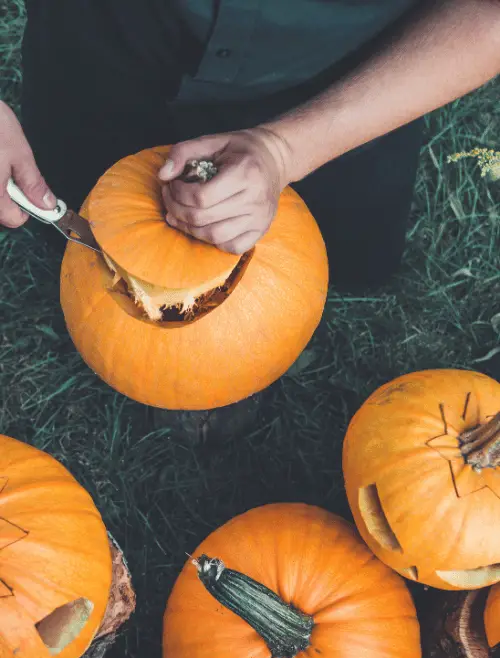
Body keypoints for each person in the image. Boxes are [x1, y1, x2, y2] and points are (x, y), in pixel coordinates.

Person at [1, 0, 499, 441]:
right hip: (107, 47)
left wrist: (284, 149)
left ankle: (228, 368)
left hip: (346, 83)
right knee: (87, 218)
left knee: (303, 267)